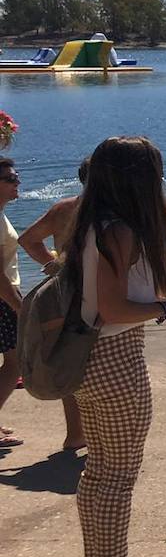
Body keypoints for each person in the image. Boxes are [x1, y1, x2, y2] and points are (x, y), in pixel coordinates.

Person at [64, 136, 166, 557]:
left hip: (92, 357)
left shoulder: (92, 223)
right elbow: (114, 310)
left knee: (100, 473)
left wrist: (161, 303)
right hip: (115, 358)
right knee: (117, 476)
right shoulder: (118, 230)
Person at [13, 157, 89, 450]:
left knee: (69, 358)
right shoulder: (108, 210)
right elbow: (27, 240)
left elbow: (28, 240)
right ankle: (83, 434)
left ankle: (75, 434)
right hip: (86, 291)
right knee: (84, 358)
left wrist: (56, 264)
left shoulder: (65, 208)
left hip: (65, 290)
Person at [0, 158, 26, 449]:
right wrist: (19, 306)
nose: (17, 182)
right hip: (3, 299)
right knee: (14, 363)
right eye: (10, 178)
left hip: (4, 297)